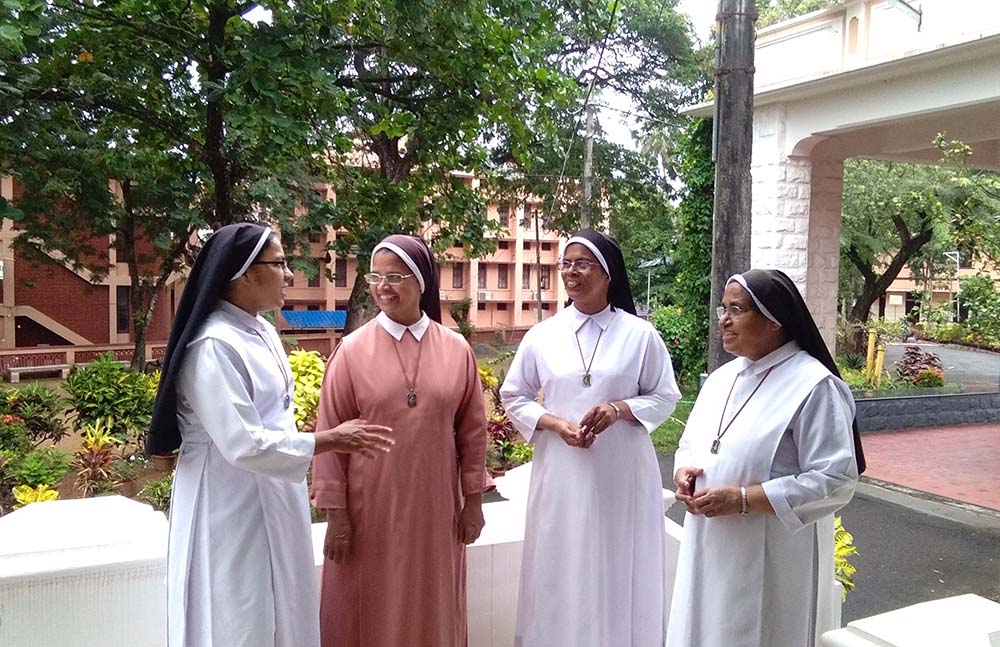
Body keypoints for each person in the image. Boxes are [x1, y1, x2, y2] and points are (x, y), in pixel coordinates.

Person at [147, 223, 393, 647]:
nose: (291, 273)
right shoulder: (213, 346)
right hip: (227, 501)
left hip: (276, 490)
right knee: (238, 612)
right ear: (243, 274)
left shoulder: (259, 329)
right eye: (279, 263)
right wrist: (330, 440)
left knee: (287, 606)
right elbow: (242, 442)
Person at [500, 229, 681, 647]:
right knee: (560, 560)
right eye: (566, 263)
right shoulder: (543, 335)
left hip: (621, 469)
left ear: (608, 273)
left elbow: (665, 395)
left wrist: (619, 409)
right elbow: (514, 394)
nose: (571, 272)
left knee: (618, 558)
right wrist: (552, 423)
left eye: (583, 264)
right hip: (562, 469)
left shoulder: (640, 335)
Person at [666, 269, 866, 647]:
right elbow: (693, 442)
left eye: (736, 309)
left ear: (774, 320)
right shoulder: (722, 378)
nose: (723, 319)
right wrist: (684, 471)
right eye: (723, 308)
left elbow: (836, 479)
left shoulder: (813, 385)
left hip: (773, 552)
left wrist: (743, 499)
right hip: (710, 540)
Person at [311, 234, 490, 647]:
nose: (383, 287)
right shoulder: (351, 351)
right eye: (376, 276)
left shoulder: (456, 349)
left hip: (435, 509)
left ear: (422, 281)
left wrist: (474, 502)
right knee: (369, 601)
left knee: (434, 602)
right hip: (369, 509)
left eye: (396, 276)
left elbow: (472, 433)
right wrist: (336, 516)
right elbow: (331, 435)